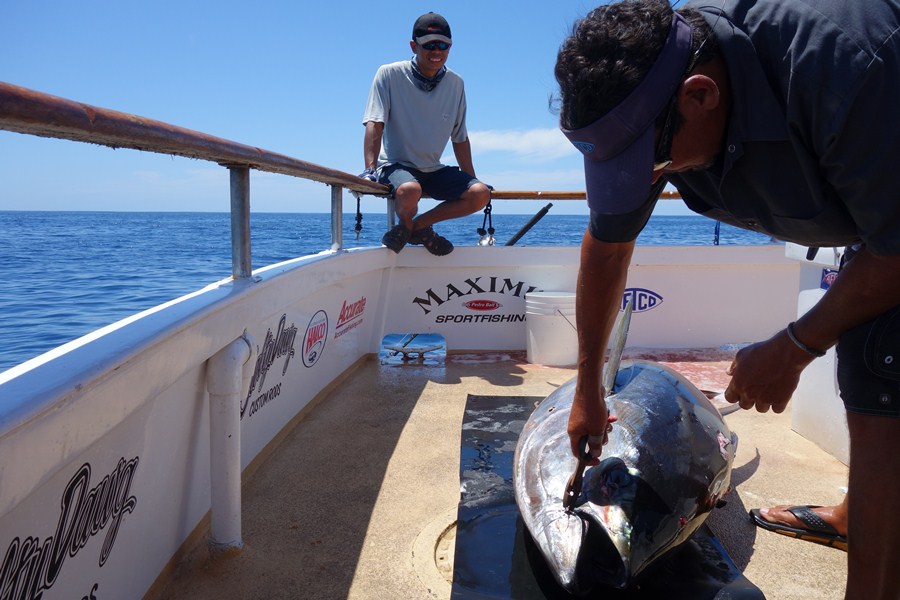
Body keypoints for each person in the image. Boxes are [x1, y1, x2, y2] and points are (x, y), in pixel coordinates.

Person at [554, 0, 900, 598]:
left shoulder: (848, 64)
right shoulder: (654, 104)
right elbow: (607, 250)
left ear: (701, 95)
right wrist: (588, 387)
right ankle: (863, 511)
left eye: (654, 163)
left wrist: (794, 346)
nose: (651, 178)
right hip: (876, 213)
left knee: (881, 370)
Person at [361, 12, 491, 256]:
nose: (436, 51)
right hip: (396, 166)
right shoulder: (388, 74)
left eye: (443, 45)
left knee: (480, 194)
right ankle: (417, 231)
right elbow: (374, 122)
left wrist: (473, 179)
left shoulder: (456, 83)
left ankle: (415, 227)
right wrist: (370, 170)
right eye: (429, 45)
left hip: (433, 168)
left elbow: (460, 137)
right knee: (410, 190)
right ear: (413, 45)